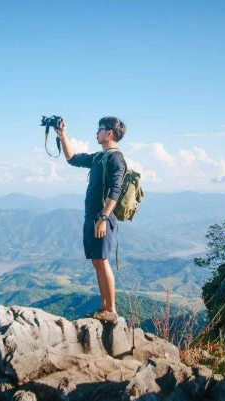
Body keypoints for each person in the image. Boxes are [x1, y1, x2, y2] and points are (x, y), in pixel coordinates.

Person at [55, 116, 126, 322]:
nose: (97, 132)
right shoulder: (98, 157)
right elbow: (72, 158)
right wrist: (63, 136)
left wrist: (103, 218)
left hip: (101, 219)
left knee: (102, 262)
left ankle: (110, 309)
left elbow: (116, 190)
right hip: (92, 218)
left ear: (110, 133)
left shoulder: (115, 158)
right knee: (97, 262)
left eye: (100, 129)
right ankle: (104, 306)